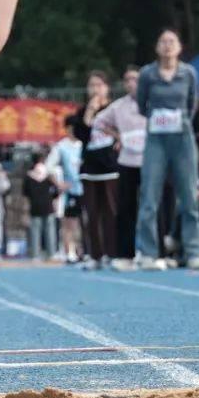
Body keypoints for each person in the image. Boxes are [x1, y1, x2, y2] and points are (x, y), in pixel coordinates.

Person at [123, 31, 199, 270]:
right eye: (163, 42)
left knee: (189, 195)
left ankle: (194, 251)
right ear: (157, 48)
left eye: (172, 42)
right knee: (149, 195)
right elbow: (142, 105)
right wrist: (158, 118)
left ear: (180, 47)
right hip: (156, 139)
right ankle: (148, 252)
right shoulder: (148, 74)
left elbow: (192, 104)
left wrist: (177, 119)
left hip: (182, 137)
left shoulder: (188, 73)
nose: (168, 46)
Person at [99, 66, 147, 260]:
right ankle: (125, 253)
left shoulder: (151, 102)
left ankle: (153, 251)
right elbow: (99, 122)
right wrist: (118, 136)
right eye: (127, 80)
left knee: (150, 207)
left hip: (150, 161)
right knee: (126, 208)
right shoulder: (119, 106)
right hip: (127, 160)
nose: (130, 83)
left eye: (135, 79)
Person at [74, 76, 120, 268]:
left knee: (111, 211)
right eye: (91, 85)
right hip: (90, 168)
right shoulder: (82, 111)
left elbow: (121, 131)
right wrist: (90, 110)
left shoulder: (115, 109)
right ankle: (94, 255)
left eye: (99, 85)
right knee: (92, 213)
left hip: (110, 167)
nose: (95, 89)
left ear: (107, 88)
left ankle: (113, 253)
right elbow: (81, 134)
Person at [47, 116, 85, 263]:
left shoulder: (84, 145)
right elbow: (48, 167)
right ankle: (70, 252)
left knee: (85, 222)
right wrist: (59, 184)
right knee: (69, 223)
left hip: (87, 189)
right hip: (71, 192)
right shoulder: (61, 147)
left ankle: (85, 251)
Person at [23, 152, 60, 260]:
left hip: (34, 207)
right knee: (50, 232)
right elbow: (56, 190)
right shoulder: (48, 175)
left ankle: (35, 254)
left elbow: (26, 194)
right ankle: (51, 253)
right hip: (48, 206)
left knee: (35, 232)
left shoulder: (28, 176)